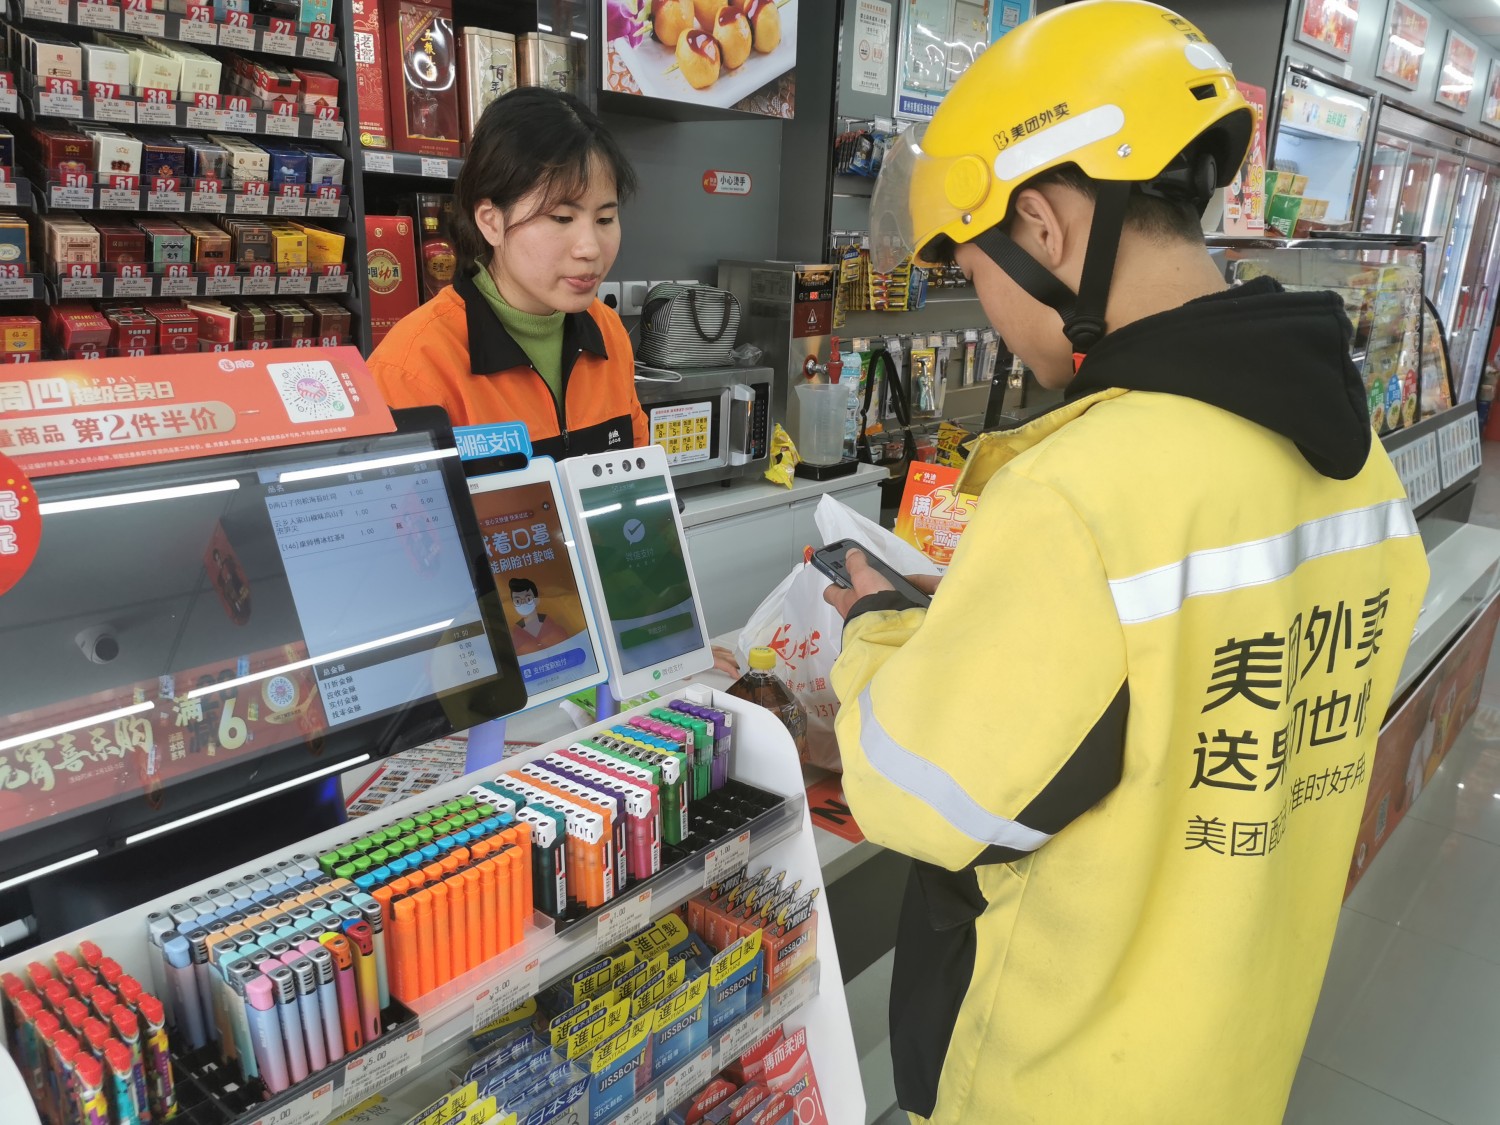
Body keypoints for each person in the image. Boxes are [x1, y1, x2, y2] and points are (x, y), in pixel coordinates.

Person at [825, 3, 1431, 1121]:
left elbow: (922, 799)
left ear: (1045, 230)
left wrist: (876, 632)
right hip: (1235, 1052)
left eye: (977, 264)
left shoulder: (1082, 486)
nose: (991, 309)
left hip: (1061, 1073)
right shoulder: (1355, 465)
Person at [368, 87, 649, 459]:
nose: (590, 248)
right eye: (562, 218)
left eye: (605, 219)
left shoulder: (608, 332)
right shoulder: (411, 367)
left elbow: (638, 475)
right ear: (492, 222)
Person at [508, 577, 570, 655]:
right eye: (517, 601)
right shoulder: (516, 636)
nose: (523, 603)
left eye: (528, 599)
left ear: (536, 600)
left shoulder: (555, 630)